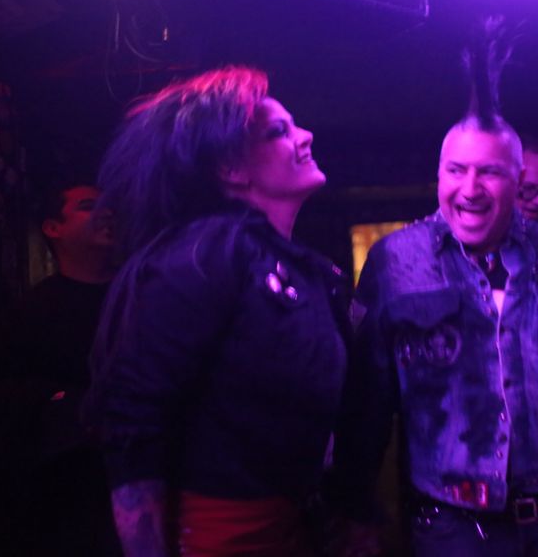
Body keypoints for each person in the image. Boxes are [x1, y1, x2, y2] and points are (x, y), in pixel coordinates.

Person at [336, 19, 538, 557]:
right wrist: (354, 510)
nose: (470, 189)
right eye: (455, 171)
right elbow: (366, 401)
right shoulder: (396, 261)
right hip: (452, 530)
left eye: (490, 173)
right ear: (438, 175)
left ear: (518, 180)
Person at [84, 65, 351, 556]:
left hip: (294, 526)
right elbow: (132, 417)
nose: (306, 136)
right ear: (230, 167)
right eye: (279, 131)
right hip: (220, 538)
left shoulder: (300, 269)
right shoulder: (202, 256)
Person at [0, 181, 117, 556]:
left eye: (108, 205)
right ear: (53, 228)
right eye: (87, 206)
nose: (106, 212)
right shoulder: (29, 314)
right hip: (68, 495)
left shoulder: (144, 295)